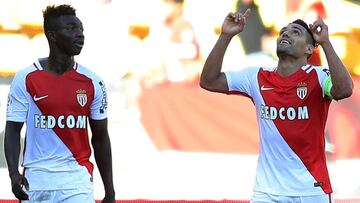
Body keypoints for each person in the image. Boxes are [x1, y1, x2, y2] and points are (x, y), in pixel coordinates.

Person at [200, 8, 353, 203]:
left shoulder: (319, 76)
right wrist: (225, 36)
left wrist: (326, 43)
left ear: (308, 49)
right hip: (267, 192)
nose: (286, 34)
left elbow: (345, 90)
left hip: (311, 190)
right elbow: (209, 81)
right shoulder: (256, 76)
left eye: (295, 32)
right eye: (283, 32)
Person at [4, 4, 115, 203]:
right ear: (52, 36)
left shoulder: (93, 82)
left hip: (77, 183)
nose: (80, 34)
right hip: (36, 182)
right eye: (71, 29)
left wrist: (110, 191)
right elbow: (12, 130)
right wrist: (13, 174)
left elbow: (100, 138)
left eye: (81, 29)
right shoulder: (26, 78)